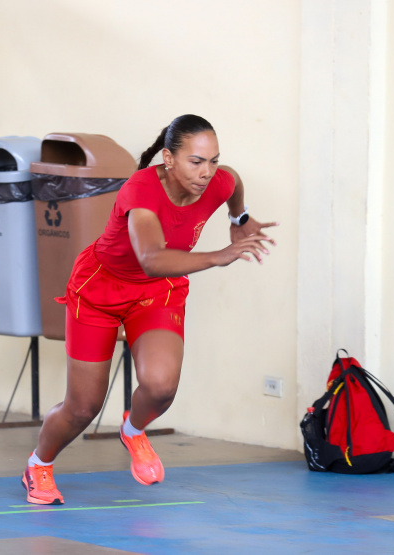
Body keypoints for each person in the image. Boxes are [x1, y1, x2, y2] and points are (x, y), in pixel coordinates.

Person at [22, 114, 277, 505]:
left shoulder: (217, 180)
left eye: (212, 160)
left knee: (160, 387)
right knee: (83, 406)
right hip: (101, 290)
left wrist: (238, 218)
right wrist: (218, 256)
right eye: (196, 161)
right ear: (168, 158)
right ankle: (38, 464)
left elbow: (233, 181)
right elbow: (152, 259)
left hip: (157, 292)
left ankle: (133, 430)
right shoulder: (140, 189)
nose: (207, 172)